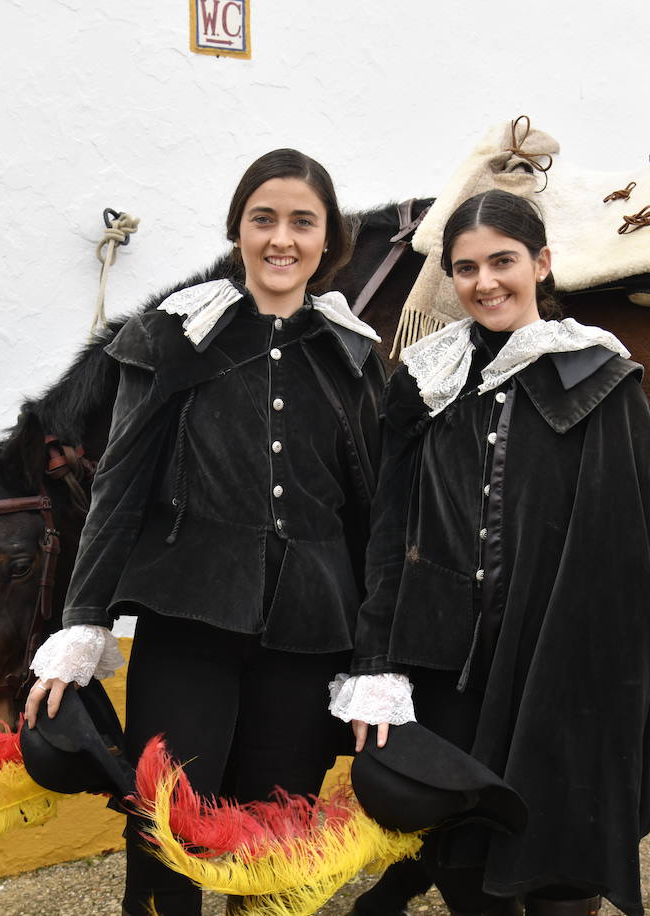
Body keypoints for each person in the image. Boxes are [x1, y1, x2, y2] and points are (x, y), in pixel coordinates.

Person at [330, 189, 650, 916]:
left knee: (556, 879)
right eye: (465, 268)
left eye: (502, 262)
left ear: (541, 264)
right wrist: (375, 664)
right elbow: (392, 533)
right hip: (443, 669)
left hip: (557, 677)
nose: (485, 282)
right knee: (464, 866)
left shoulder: (599, 379)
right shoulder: (424, 382)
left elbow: (627, 563)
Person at [24, 148, 385, 916]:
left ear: (327, 242)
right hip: (188, 618)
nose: (281, 239)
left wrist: (378, 655)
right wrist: (83, 621)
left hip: (310, 631)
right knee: (169, 832)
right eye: (264, 219)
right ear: (238, 231)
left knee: (276, 837)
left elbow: (372, 514)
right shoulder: (170, 338)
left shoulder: (353, 356)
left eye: (302, 222)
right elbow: (117, 486)